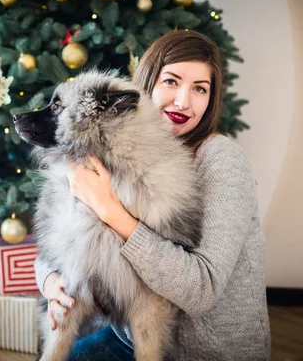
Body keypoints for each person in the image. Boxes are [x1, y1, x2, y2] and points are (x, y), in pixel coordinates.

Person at [34, 30, 271, 360]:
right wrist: (49, 283)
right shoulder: (105, 143)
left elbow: (201, 290)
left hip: (204, 353)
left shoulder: (220, 158)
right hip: (128, 339)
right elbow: (55, 239)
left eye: (199, 88)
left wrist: (111, 211)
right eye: (171, 81)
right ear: (146, 83)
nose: (183, 101)